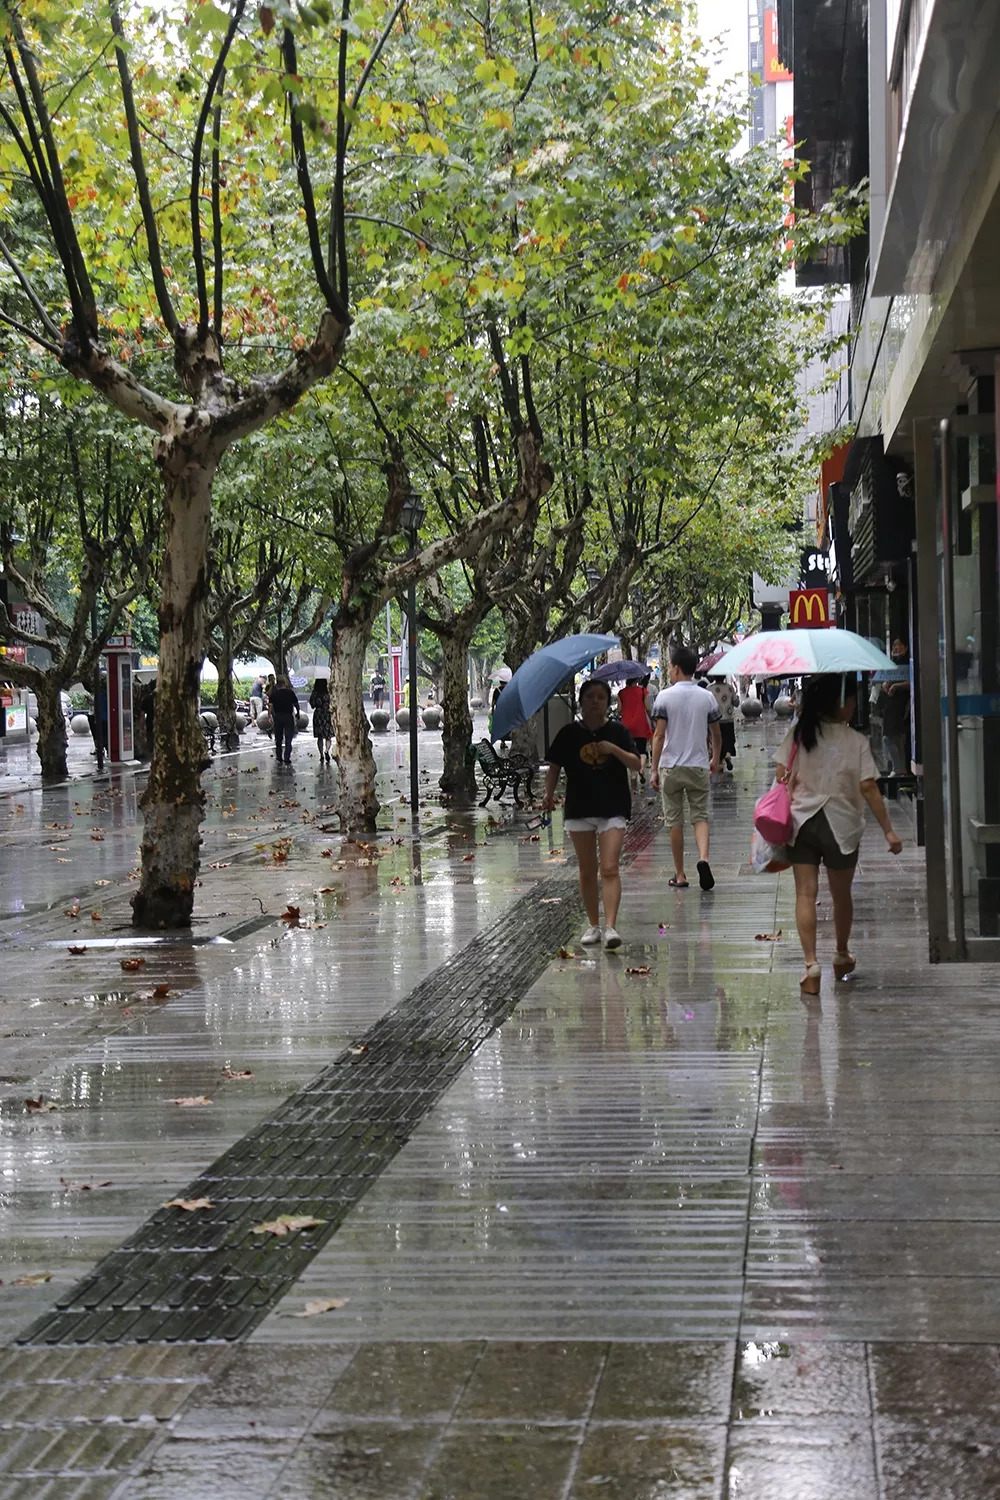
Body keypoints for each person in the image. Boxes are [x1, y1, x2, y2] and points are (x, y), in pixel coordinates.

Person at [775, 674, 903, 996]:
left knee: (805, 893)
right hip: (842, 826)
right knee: (840, 894)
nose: (853, 705)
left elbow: (781, 776)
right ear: (840, 703)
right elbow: (869, 787)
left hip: (802, 822)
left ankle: (811, 965)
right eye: (850, 700)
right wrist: (888, 830)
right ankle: (842, 954)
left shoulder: (799, 734)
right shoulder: (855, 741)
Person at [540, 677, 641, 950]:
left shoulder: (619, 731)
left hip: (614, 806)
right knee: (587, 870)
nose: (595, 701)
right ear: (581, 702)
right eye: (590, 697)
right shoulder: (568, 734)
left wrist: (613, 750)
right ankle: (593, 925)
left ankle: (611, 927)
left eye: (601, 697)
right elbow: (554, 767)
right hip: (580, 807)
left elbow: (637, 763)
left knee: (609, 867)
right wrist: (548, 795)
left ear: (609, 703)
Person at [649, 645, 722, 890]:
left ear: (677, 668)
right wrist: (716, 758)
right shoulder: (707, 697)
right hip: (698, 765)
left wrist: (654, 769)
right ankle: (703, 859)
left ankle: (680, 875)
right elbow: (716, 733)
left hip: (671, 766)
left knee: (675, 821)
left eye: (670, 667)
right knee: (700, 816)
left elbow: (658, 736)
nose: (669, 671)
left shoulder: (664, 697)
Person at [617, 673, 654, 790]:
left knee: (629, 751)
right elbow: (648, 708)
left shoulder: (621, 693)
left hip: (626, 726)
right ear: (637, 680)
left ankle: (633, 775)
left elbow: (619, 710)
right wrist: (652, 720)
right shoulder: (643, 691)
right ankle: (641, 768)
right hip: (640, 724)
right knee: (642, 751)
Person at [708, 675, 738, 771]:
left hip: (715, 720)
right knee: (728, 738)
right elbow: (736, 703)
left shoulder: (709, 689)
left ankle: (719, 761)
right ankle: (728, 753)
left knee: (716, 739)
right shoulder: (729, 687)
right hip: (728, 718)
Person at [269, 675, 299, 765]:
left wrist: (269, 716)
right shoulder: (290, 693)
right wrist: (298, 713)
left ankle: (279, 756)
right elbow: (296, 704)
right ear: (285, 683)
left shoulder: (273, 694)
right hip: (288, 716)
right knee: (288, 738)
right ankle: (287, 757)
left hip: (278, 717)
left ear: (277, 684)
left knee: (278, 738)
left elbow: (270, 706)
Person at [310, 677, 333, 763]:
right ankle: (327, 750)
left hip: (318, 714)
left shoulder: (315, 693)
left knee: (319, 737)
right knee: (328, 736)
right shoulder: (328, 693)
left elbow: (312, 705)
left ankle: (321, 755)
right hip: (327, 714)